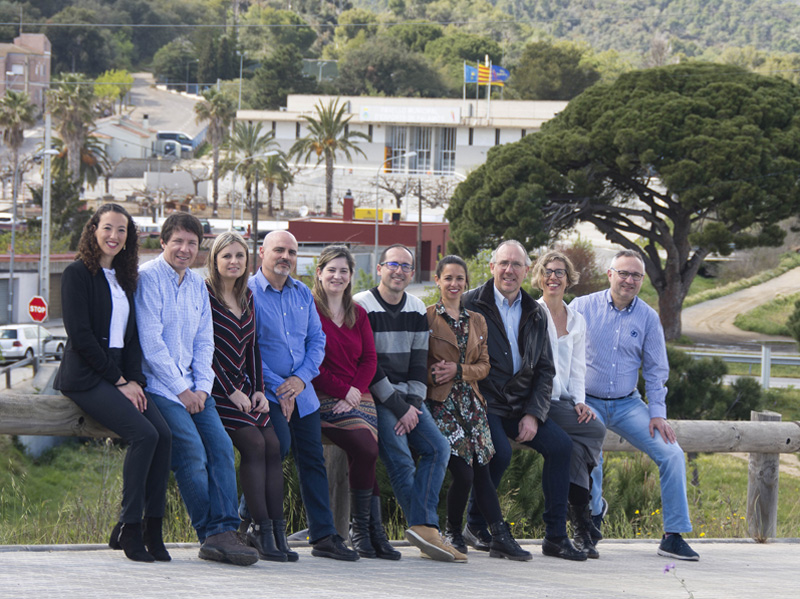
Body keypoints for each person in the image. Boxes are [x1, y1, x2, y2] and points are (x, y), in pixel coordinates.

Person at [136, 213, 258, 566]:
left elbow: (206, 342)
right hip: (160, 386)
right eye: (178, 242)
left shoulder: (195, 285)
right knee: (191, 450)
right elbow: (151, 343)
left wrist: (202, 388)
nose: (185, 249)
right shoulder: (149, 279)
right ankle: (211, 534)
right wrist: (181, 389)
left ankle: (225, 528)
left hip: (195, 387)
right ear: (163, 242)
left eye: (192, 243)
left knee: (221, 446)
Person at [55, 203, 172, 563]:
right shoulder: (76, 274)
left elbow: (133, 338)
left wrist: (134, 379)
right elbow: (81, 336)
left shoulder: (126, 278)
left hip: (121, 375)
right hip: (87, 376)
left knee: (164, 436)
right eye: (108, 228)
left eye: (122, 230)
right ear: (94, 231)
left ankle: (153, 528)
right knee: (144, 434)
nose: (114, 236)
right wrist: (120, 381)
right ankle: (130, 527)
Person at [571, 249, 699, 561]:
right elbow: (564, 356)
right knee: (592, 456)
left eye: (636, 275)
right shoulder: (581, 307)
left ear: (642, 280)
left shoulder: (648, 317)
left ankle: (672, 535)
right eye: (623, 273)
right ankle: (590, 524)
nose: (629, 280)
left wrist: (657, 413)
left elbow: (656, 370)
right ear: (609, 274)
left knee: (671, 454)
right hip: (588, 403)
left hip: (629, 404)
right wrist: (572, 400)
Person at [462, 240, 586, 561]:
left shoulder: (535, 311)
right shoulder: (470, 303)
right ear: (492, 267)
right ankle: (476, 524)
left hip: (521, 405)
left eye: (517, 265)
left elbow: (546, 370)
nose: (509, 270)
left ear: (526, 271)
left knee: (561, 447)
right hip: (484, 401)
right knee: (499, 453)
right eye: (503, 263)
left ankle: (556, 537)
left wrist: (533, 413)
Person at [249, 230, 359, 561]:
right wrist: (281, 387)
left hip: (304, 394)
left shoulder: (302, 294)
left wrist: (299, 380)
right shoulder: (248, 292)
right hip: (265, 392)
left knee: (312, 461)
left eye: (292, 252)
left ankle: (324, 535)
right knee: (277, 449)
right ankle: (255, 522)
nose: (286, 257)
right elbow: (249, 347)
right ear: (262, 252)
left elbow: (317, 342)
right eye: (279, 250)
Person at [354, 244, 459, 563]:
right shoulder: (362, 306)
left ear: (412, 274)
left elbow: (418, 362)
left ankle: (421, 526)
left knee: (438, 448)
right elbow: (368, 364)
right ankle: (427, 528)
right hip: (375, 396)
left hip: (410, 398)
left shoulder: (416, 307)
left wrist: (413, 404)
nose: (398, 271)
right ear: (380, 269)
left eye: (405, 267)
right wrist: (400, 407)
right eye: (393, 265)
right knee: (400, 458)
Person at [426, 255, 532, 562]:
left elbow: (484, 366)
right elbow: (418, 362)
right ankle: (452, 532)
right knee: (464, 473)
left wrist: (459, 370)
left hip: (472, 402)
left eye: (460, 279)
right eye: (448, 278)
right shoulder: (428, 317)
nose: (454, 284)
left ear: (466, 283)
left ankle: (499, 535)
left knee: (483, 470)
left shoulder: (477, 320)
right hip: (441, 404)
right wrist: (434, 375)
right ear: (437, 281)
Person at [311, 245, 400, 560]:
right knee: (366, 449)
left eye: (343, 271)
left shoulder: (357, 313)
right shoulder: (310, 310)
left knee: (366, 450)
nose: (337, 276)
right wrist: (342, 391)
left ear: (350, 276)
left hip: (358, 395)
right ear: (319, 273)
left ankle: (371, 533)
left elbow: (370, 359)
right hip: (322, 396)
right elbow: (312, 364)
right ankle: (362, 531)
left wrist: (356, 389)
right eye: (331, 270)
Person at [205, 232, 290, 562]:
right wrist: (232, 391)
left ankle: (276, 533)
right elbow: (206, 352)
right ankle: (261, 531)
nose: (234, 262)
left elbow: (252, 348)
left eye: (239, 256)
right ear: (215, 259)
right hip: (218, 389)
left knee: (273, 444)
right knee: (254, 444)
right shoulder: (207, 296)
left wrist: (257, 390)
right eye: (227, 256)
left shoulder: (248, 297)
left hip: (247, 389)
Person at [533, 250, 607, 559]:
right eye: (548, 271)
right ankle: (585, 523)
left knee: (580, 444)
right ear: (539, 277)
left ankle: (580, 529)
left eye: (560, 272)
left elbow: (578, 367)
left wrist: (580, 401)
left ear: (569, 278)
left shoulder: (576, 318)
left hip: (563, 401)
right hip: (538, 401)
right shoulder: (531, 313)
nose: (554, 276)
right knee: (595, 431)